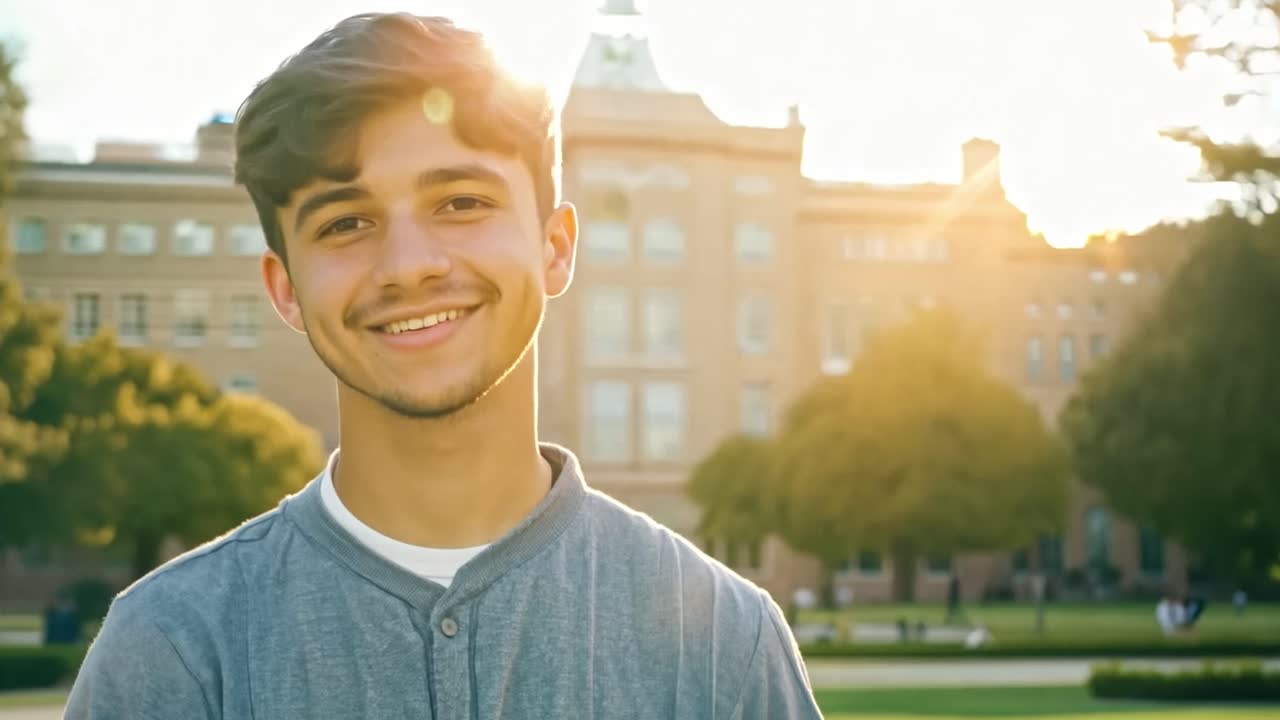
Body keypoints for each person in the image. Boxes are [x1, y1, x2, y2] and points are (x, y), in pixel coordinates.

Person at [64, 12, 821, 719]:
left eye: (461, 203)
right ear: (286, 289)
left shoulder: (726, 644)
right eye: (347, 222)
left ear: (555, 246)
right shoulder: (172, 651)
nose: (411, 265)